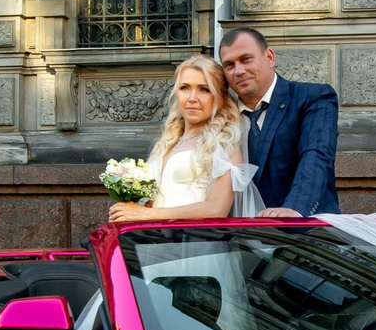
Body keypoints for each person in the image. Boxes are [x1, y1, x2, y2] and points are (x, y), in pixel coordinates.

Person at [108, 54, 260, 222]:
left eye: (204, 89)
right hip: (153, 239)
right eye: (185, 88)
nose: (192, 98)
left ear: (220, 98)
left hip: (192, 241)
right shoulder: (168, 142)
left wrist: (147, 214)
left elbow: (216, 209)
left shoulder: (224, 144)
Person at [219, 26, 339, 218]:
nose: (239, 71)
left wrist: (295, 208)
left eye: (246, 59)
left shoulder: (313, 98)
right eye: (229, 65)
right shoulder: (222, 117)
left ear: (269, 57)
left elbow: (316, 155)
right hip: (239, 239)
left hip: (304, 236)